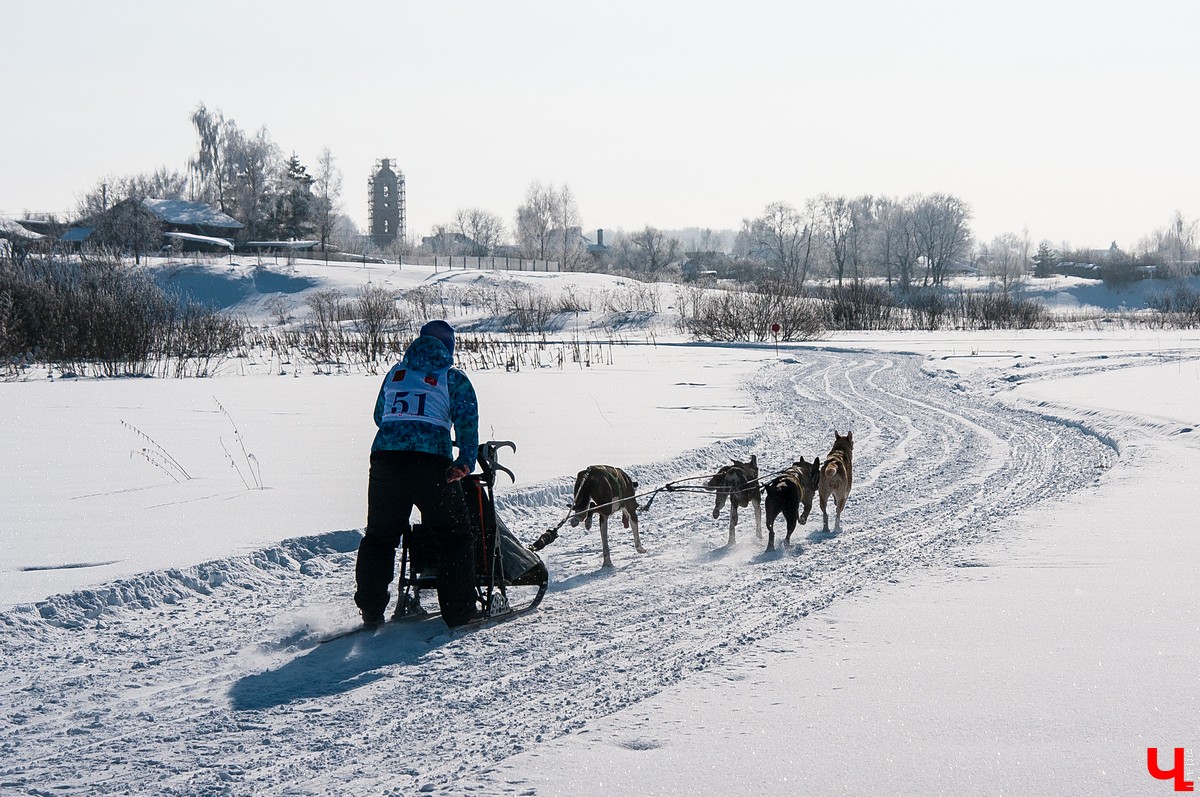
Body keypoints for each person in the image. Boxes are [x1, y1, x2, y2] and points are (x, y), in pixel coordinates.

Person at [354, 319, 480, 628]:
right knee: (454, 536)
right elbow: (467, 422)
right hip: (431, 463)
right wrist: (465, 461)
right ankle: (459, 612)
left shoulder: (395, 373)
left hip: (385, 459)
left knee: (380, 537)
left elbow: (378, 415)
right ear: (449, 347)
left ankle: (371, 610)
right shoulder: (452, 377)